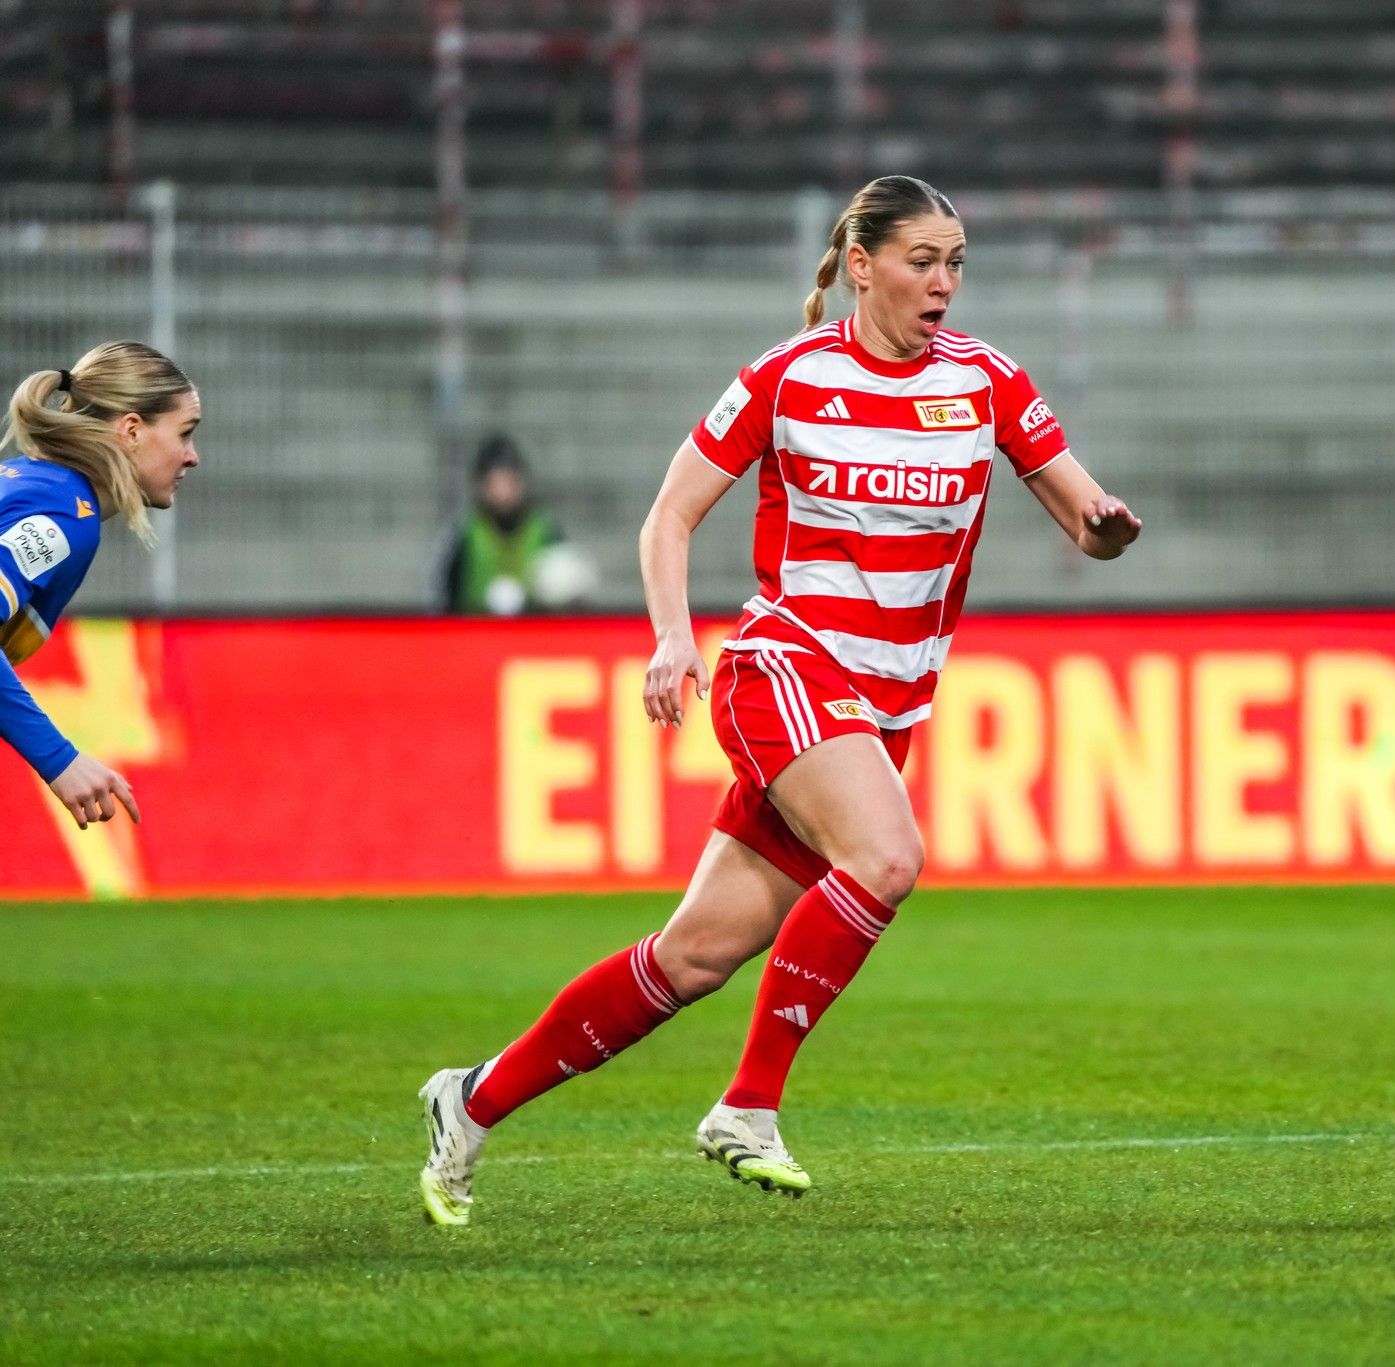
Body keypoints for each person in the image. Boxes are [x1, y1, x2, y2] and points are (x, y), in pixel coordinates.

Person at [419, 175, 1142, 1226]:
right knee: (890, 856)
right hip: (784, 666)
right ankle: (748, 1107)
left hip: (884, 708)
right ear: (862, 264)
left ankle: (470, 1100)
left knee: (694, 955)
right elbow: (669, 516)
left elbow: (1085, 512)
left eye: (956, 264)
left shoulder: (988, 383)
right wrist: (672, 636)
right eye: (922, 261)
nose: (943, 283)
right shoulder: (786, 377)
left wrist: (1108, 528)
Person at [0, 341, 201, 832]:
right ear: (132, 430)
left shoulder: (34, 484)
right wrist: (60, 760)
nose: (192, 457)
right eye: (185, 433)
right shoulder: (64, 516)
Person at [434, 434, 571, 614]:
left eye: (509, 482)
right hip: (475, 632)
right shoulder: (464, 533)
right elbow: (443, 595)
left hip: (534, 633)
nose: (503, 493)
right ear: (481, 486)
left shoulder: (545, 530)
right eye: (494, 483)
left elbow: (567, 587)